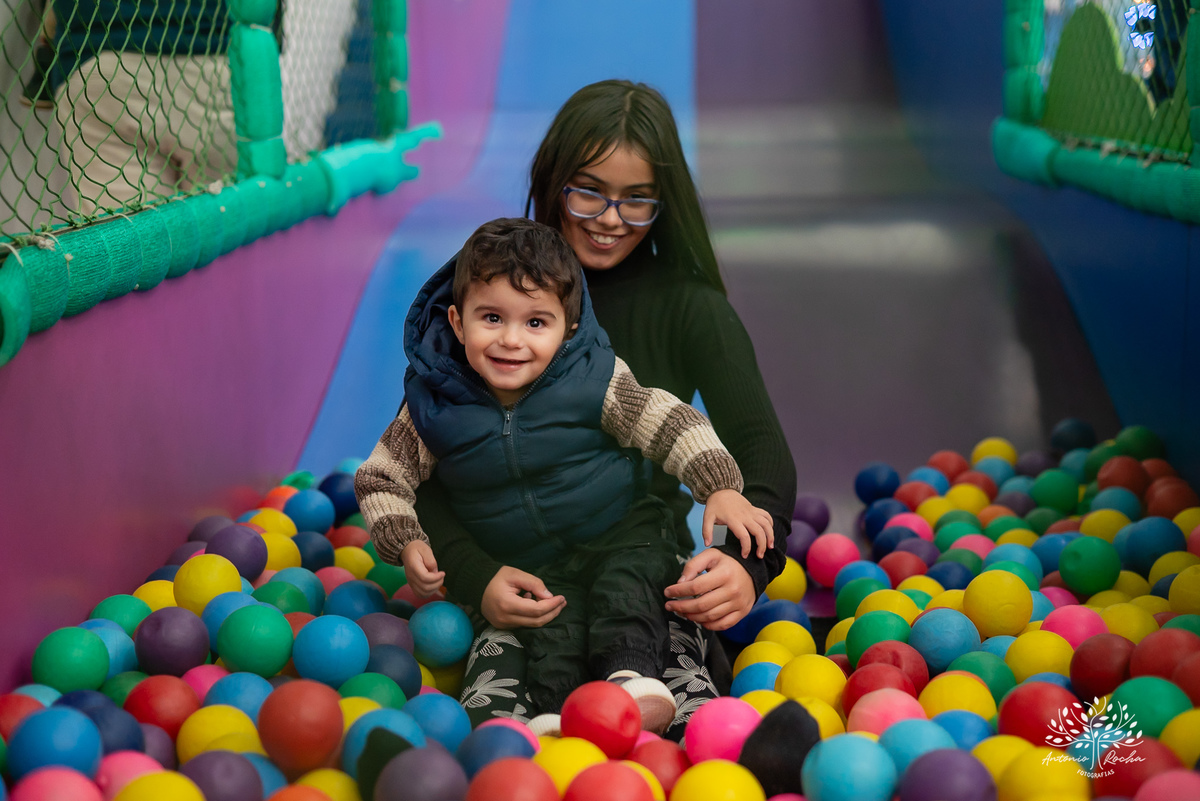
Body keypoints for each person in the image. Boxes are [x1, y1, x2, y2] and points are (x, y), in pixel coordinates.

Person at [408, 80, 797, 739]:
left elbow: (760, 447)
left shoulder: (689, 307)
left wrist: (745, 563)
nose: (609, 217)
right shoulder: (499, 293)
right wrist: (478, 576)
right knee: (496, 729)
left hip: (641, 564)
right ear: (553, 178)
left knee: (683, 714)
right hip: (520, 576)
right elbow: (433, 461)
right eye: (587, 190)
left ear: (663, 203)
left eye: (637, 199)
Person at [356, 217, 774, 731]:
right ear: (458, 322)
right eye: (491, 318)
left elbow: (667, 421)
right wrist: (406, 540)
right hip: (529, 562)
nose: (511, 340)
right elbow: (381, 477)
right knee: (551, 629)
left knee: (628, 597)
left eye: (536, 323)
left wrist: (721, 486)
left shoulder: (593, 380)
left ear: (567, 328)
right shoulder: (431, 404)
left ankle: (629, 679)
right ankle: (557, 715)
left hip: (622, 534)